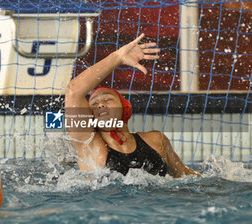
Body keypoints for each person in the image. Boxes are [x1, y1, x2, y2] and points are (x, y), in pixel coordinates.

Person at [65, 33, 201, 178]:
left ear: (125, 108)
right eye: (94, 103)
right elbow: (73, 91)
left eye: (108, 99)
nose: (100, 105)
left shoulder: (156, 141)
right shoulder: (89, 145)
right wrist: (117, 58)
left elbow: (186, 177)